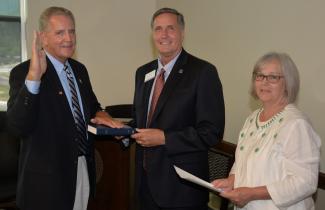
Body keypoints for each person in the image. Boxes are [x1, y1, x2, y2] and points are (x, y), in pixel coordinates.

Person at [7, 6, 122, 210]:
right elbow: (18, 126)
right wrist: (34, 77)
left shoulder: (79, 70)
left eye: (72, 31)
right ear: (43, 38)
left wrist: (104, 117)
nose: (68, 38)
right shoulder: (24, 72)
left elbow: (93, 106)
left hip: (81, 170)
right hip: (46, 183)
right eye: (60, 33)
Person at [129, 7, 225, 210]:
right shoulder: (143, 73)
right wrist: (121, 131)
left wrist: (164, 138)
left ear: (182, 33)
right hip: (144, 184)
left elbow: (211, 132)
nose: (163, 35)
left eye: (170, 28)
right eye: (158, 29)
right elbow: (142, 120)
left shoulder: (203, 72)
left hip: (181, 189)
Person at [212, 52, 321, 210]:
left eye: (273, 77)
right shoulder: (252, 119)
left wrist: (252, 194)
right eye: (260, 76)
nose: (264, 82)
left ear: (288, 83)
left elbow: (306, 182)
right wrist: (232, 180)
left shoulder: (296, 124)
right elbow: (242, 161)